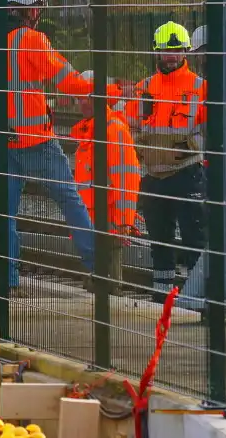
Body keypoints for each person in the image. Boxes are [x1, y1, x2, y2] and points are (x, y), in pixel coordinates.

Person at [0, 0, 100, 294]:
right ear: (32, 10)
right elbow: (68, 81)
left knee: (5, 213)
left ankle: (7, 282)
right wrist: (105, 89)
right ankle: (99, 270)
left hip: (1, 143)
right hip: (37, 142)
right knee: (70, 201)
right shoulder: (31, 40)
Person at [124, 21, 207, 300]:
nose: (170, 57)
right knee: (159, 241)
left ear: (185, 52)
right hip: (154, 176)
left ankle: (198, 297)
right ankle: (161, 297)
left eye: (176, 51)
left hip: (187, 173)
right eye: (165, 51)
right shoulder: (144, 87)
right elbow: (128, 126)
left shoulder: (200, 88)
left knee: (195, 240)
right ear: (156, 52)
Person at [71, 73, 142, 293]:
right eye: (81, 97)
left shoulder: (113, 131)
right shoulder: (87, 131)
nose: (84, 102)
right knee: (94, 287)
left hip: (110, 224)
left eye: (90, 97)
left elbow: (127, 178)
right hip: (90, 223)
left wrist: (123, 222)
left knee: (109, 290)